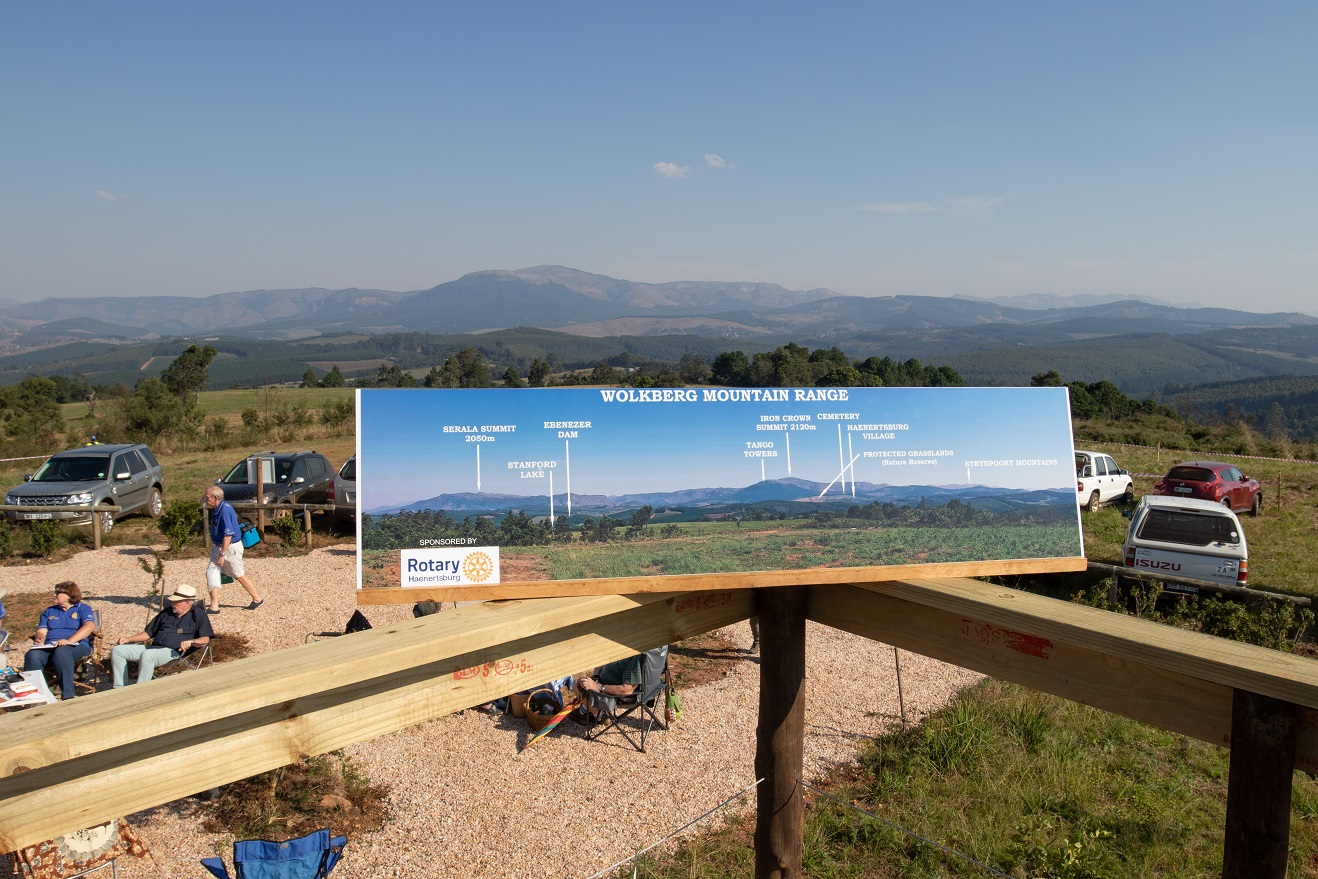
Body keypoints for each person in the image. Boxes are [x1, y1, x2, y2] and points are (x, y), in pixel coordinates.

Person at [111, 584, 213, 687]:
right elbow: (148, 633)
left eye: (175, 601)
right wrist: (129, 639)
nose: (172, 603)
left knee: (148, 655)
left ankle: (141, 690)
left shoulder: (198, 615)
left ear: (187, 602)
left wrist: (192, 641)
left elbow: (205, 639)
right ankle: (120, 688)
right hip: (153, 648)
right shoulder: (166, 613)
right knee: (118, 651)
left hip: (173, 652)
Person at [24, 581, 96, 700]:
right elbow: (42, 630)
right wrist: (39, 638)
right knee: (33, 655)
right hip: (50, 647)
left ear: (69, 595)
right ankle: (34, 696)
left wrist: (69, 641)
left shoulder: (82, 609)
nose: (54, 595)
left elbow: (89, 626)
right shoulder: (50, 611)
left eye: (57, 592)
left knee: (62, 652)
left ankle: (68, 695)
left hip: (76, 646)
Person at [203, 487, 263, 612]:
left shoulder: (224, 511)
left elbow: (228, 535)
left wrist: (222, 554)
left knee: (238, 575)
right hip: (219, 546)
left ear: (216, 498)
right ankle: (214, 606)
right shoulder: (217, 509)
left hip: (229, 548)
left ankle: (257, 598)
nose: (205, 499)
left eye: (207, 497)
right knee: (211, 572)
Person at [577, 652, 643, 717]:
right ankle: (586, 708)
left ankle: (599, 716)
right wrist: (595, 677)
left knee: (578, 683)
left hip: (613, 693)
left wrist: (597, 687)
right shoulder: (629, 651)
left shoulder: (634, 658)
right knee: (583, 683)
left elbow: (627, 690)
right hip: (602, 682)